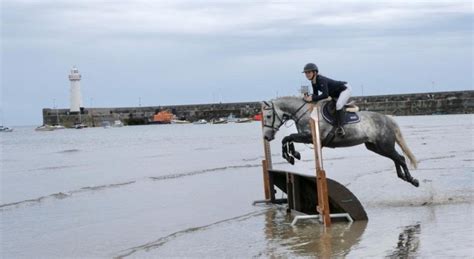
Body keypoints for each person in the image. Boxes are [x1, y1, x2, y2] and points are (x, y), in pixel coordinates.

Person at [302, 63, 352, 137]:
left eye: (309, 72)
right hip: (335, 93)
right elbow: (315, 95)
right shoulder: (313, 82)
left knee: (338, 105)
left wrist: (312, 98)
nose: (307, 74)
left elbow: (325, 95)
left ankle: (341, 127)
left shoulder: (321, 79)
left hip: (345, 89)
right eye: (306, 73)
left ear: (315, 72)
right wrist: (307, 97)